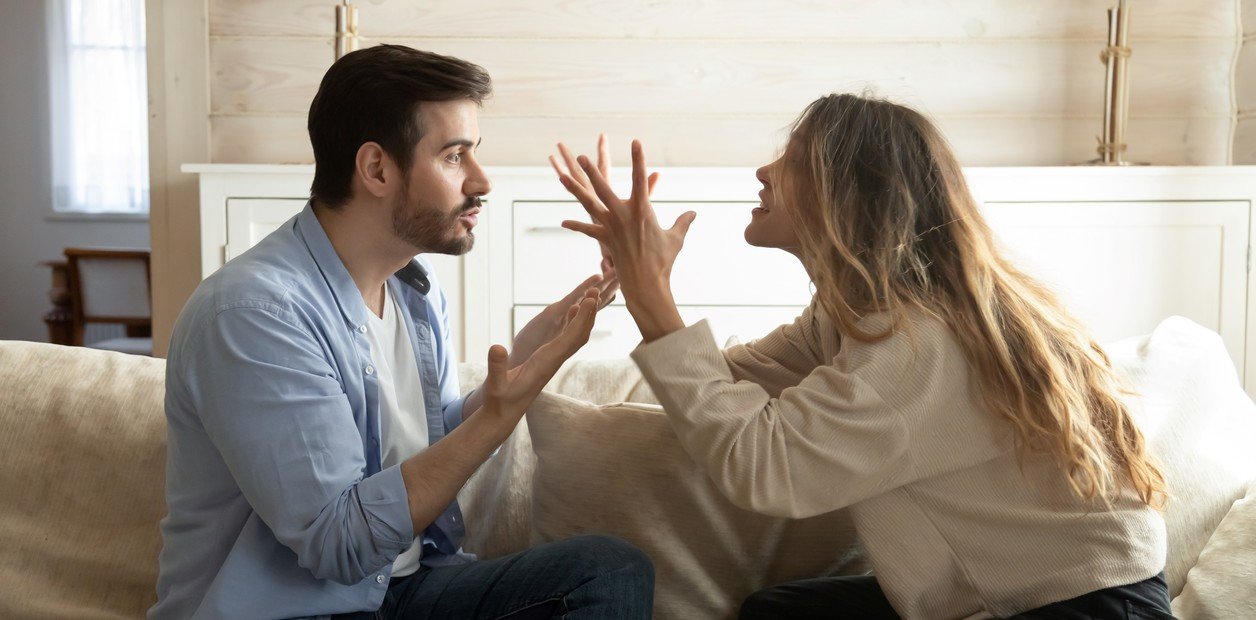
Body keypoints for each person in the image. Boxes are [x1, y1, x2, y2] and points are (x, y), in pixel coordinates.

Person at [549, 94, 1173, 619]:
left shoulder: (919, 343)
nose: (764, 171)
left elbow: (765, 466)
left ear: (849, 195)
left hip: (1084, 608)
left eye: (794, 160)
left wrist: (654, 295)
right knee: (776, 612)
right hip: (1013, 595)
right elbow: (720, 388)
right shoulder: (857, 315)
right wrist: (642, 287)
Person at [150, 45, 653, 620]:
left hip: (400, 589)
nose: (482, 180)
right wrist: (498, 416)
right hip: (296, 610)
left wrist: (527, 361)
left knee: (608, 571)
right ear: (377, 169)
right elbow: (341, 545)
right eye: (454, 156)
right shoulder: (254, 314)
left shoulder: (415, 290)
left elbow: (433, 451)